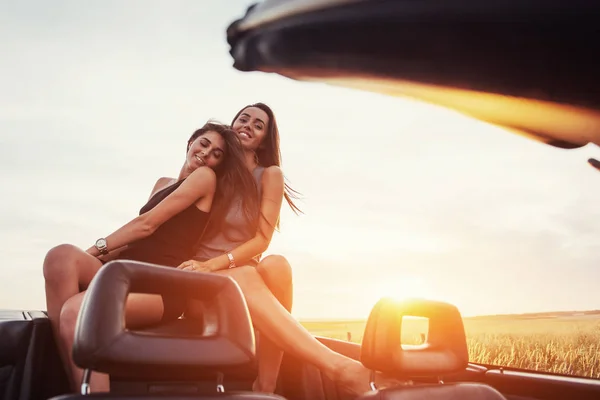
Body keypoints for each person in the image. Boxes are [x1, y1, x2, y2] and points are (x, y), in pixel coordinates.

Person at [42, 122, 258, 392]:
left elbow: (147, 224)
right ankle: (68, 383)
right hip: (124, 273)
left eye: (216, 154)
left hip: (160, 285)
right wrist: (90, 258)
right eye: (204, 143)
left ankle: (89, 391)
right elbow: (138, 237)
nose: (206, 154)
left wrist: (94, 250)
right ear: (190, 142)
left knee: (75, 311)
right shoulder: (162, 184)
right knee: (60, 257)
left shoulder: (205, 178)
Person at [176, 103, 300, 393]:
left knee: (277, 265)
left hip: (241, 275)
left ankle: (267, 384)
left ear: (265, 139)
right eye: (243, 119)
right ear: (231, 126)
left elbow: (262, 240)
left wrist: (216, 264)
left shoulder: (269, 175)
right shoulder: (212, 169)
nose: (248, 125)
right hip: (199, 280)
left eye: (258, 125)